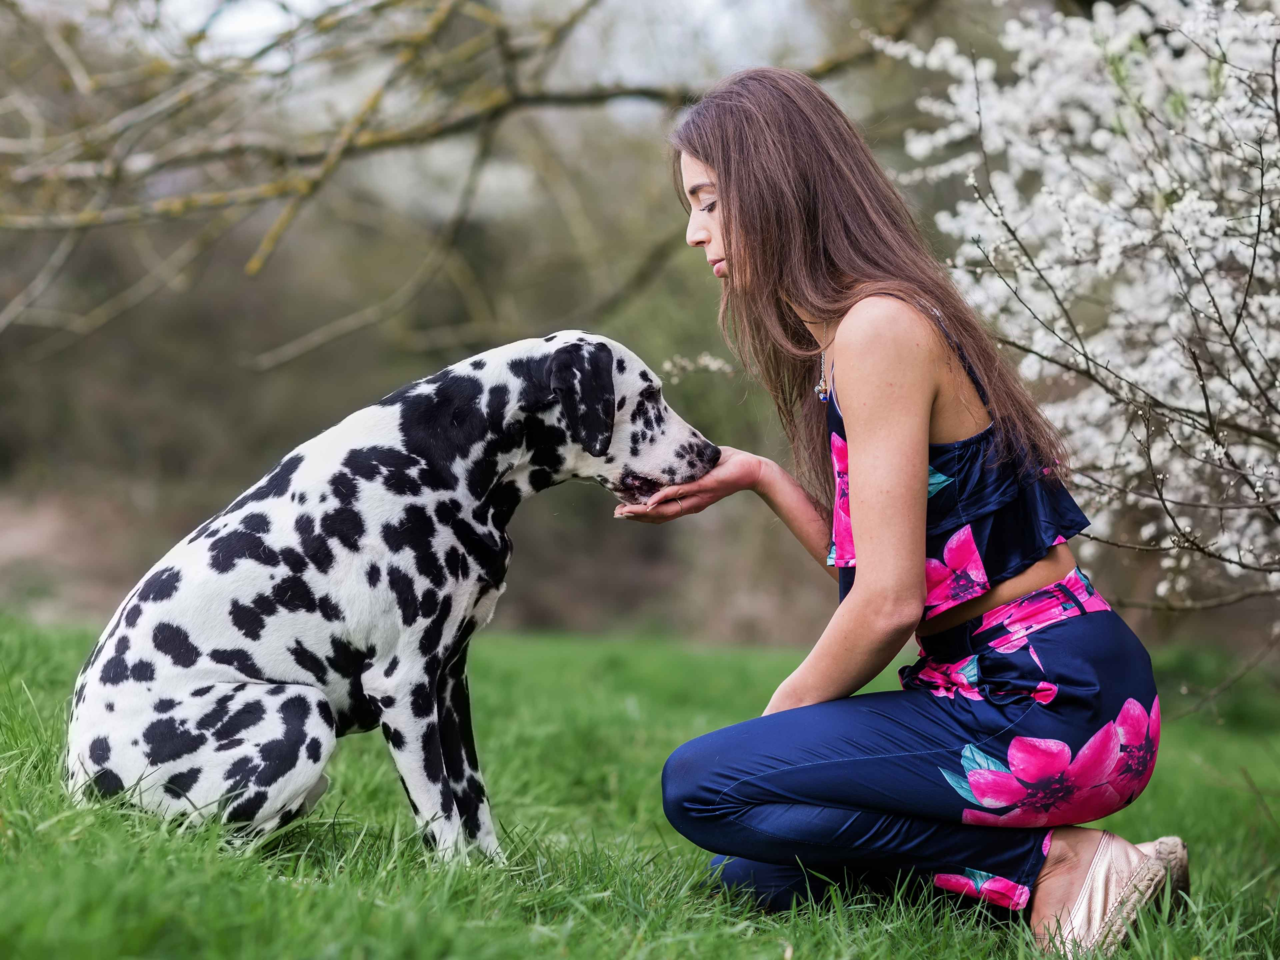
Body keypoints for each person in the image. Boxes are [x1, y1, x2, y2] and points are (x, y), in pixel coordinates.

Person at [614, 67, 1188, 957]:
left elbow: (889, 604)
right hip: (1042, 692)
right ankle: (1065, 883)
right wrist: (764, 476)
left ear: (774, 186)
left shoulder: (878, 328)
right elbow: (896, 570)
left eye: (710, 201)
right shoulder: (866, 326)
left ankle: (1060, 868)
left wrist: (785, 721)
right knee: (759, 871)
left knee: (706, 787)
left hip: (1042, 702)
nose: (694, 233)